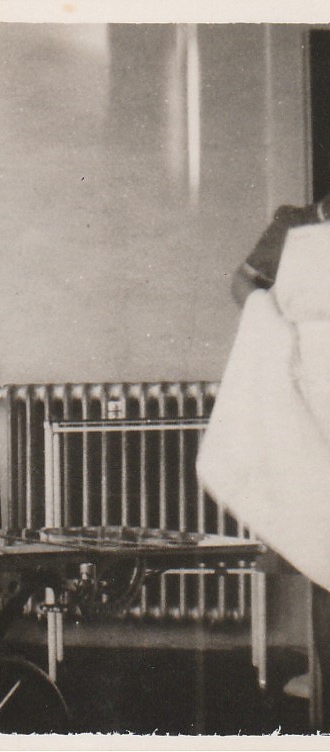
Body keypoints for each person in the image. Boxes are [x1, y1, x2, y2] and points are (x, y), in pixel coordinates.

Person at [229, 191, 330, 731]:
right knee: (326, 558)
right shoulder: (294, 225)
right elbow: (242, 283)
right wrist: (275, 324)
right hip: (316, 402)